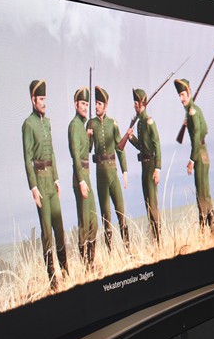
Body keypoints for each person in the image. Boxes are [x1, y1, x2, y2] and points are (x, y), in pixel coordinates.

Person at [22, 79, 68, 289]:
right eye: (41, 99)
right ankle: (52, 280)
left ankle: (66, 272)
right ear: (33, 100)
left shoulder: (47, 122)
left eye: (45, 99)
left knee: (59, 227)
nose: (44, 102)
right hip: (40, 181)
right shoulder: (28, 125)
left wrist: (56, 178)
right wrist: (33, 187)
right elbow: (27, 158)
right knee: (47, 232)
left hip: (51, 180)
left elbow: (53, 153)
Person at [88, 86, 130, 251]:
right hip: (101, 175)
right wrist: (88, 136)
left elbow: (120, 148)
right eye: (96, 103)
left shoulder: (113, 124)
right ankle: (110, 251)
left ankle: (127, 248)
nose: (96, 106)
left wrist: (124, 171)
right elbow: (88, 149)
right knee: (106, 216)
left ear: (105, 106)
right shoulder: (91, 124)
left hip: (113, 172)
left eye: (99, 104)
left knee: (121, 211)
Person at [175, 79, 214, 234]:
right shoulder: (194, 110)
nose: (181, 98)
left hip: (199, 153)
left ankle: (203, 231)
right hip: (204, 152)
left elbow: (197, 136)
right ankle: (212, 230)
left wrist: (191, 160)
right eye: (179, 95)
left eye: (183, 94)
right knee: (205, 192)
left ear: (189, 93)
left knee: (201, 194)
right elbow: (205, 129)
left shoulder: (192, 112)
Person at [127, 88, 162, 243]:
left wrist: (157, 169)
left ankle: (159, 239)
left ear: (141, 103)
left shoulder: (148, 122)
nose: (134, 105)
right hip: (144, 167)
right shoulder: (140, 123)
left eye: (136, 102)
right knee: (147, 203)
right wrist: (131, 138)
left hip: (151, 165)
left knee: (153, 204)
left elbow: (157, 146)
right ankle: (154, 237)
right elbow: (142, 146)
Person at [68, 87, 97, 271]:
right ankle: (86, 266)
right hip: (80, 177)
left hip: (87, 175)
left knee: (94, 221)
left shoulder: (83, 127)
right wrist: (81, 181)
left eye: (87, 104)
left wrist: (90, 137)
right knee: (84, 222)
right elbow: (76, 156)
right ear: (75, 104)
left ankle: (91, 264)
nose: (85, 107)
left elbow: (87, 151)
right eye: (82, 104)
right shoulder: (74, 126)